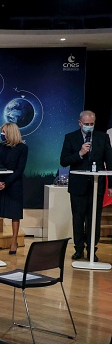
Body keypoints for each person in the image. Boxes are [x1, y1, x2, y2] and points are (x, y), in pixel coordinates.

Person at [60, 110, 112, 261]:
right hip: (78, 187)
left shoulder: (103, 137)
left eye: (92, 124)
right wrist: (80, 153)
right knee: (78, 218)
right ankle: (78, 249)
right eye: (86, 124)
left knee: (94, 218)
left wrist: (111, 185)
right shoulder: (70, 137)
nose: (89, 126)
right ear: (80, 123)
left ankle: (91, 250)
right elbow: (63, 160)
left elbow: (109, 161)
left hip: (96, 186)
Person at [0, 122, 28, 255]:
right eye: (2, 132)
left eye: (4, 132)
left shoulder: (22, 148)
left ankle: (14, 242)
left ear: (11, 132)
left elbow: (20, 169)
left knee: (15, 215)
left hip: (13, 184)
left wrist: (6, 183)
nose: (2, 134)